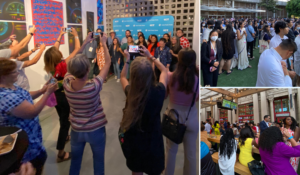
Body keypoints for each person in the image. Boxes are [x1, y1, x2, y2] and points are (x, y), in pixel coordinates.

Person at [63, 33, 110, 175]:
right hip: (96, 130)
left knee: (75, 163)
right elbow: (107, 63)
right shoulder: (93, 86)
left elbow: (69, 61)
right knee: (99, 162)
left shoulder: (67, 83)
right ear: (88, 69)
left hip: (77, 130)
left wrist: (84, 44)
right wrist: (103, 43)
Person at [0, 58, 58, 175]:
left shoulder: (11, 85)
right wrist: (47, 93)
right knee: (34, 167)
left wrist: (42, 91)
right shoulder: (5, 97)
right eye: (14, 72)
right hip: (24, 146)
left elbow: (25, 95)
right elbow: (32, 111)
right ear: (3, 76)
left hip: (32, 137)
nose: (17, 73)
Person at [44, 28, 92, 163]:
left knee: (62, 118)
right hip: (64, 96)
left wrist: (59, 35)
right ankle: (60, 153)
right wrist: (77, 36)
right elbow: (79, 49)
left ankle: (65, 138)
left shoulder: (51, 64)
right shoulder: (63, 64)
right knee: (66, 123)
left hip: (55, 95)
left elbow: (53, 50)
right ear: (57, 56)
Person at [119, 46, 167, 175]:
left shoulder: (130, 92)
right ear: (151, 74)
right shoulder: (159, 92)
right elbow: (164, 71)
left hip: (135, 139)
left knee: (136, 170)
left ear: (133, 75)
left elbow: (123, 77)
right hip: (153, 140)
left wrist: (127, 60)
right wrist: (150, 57)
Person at [164, 48, 199, 175]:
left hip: (173, 117)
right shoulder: (196, 79)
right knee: (191, 154)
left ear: (179, 59)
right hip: (191, 117)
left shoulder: (170, 76)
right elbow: (196, 99)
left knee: (170, 151)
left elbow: (165, 96)